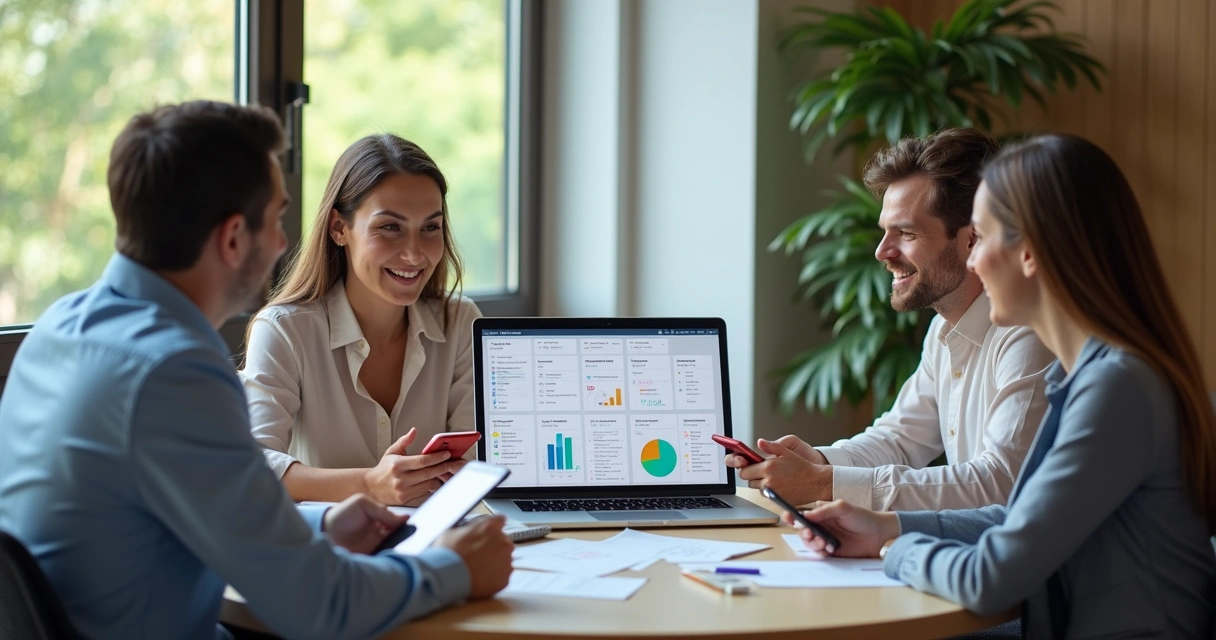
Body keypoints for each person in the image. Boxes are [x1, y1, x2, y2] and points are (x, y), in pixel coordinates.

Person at [0, 101, 513, 640]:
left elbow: (205, 511)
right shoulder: (173, 373)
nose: (283, 243)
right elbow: (323, 607)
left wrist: (323, 523)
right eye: (274, 221)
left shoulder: (61, 326)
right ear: (231, 239)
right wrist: (454, 569)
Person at [789, 134, 1216, 638]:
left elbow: (992, 576)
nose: (972, 261)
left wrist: (892, 549)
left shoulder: (1115, 388)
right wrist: (890, 526)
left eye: (983, 238)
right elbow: (1020, 519)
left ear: (1030, 253)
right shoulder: (1093, 374)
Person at [728, 128, 1056, 511]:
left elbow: (1001, 483)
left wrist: (825, 483)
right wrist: (817, 463)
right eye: (885, 232)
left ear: (972, 238)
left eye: (906, 233)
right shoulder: (944, 329)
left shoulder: (1028, 333)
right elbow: (900, 439)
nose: (883, 252)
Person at [240, 134, 480, 506]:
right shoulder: (284, 331)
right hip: (328, 553)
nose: (415, 254)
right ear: (339, 228)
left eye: (430, 228)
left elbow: (479, 457)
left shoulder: (461, 322)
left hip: (437, 542)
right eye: (390, 227)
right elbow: (251, 467)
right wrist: (370, 485)